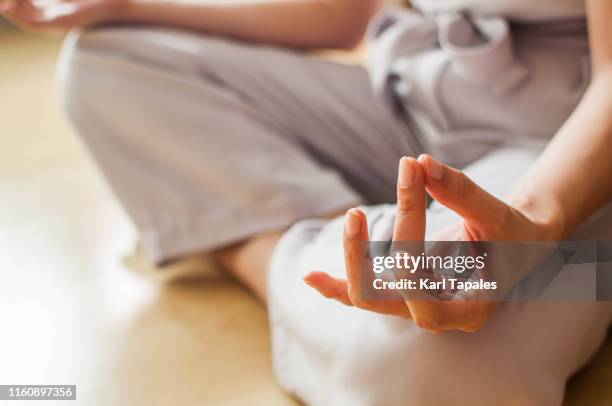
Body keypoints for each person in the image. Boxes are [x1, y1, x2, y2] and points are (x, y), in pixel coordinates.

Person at [3, 0, 612, 403]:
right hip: (410, 101)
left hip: (568, 150)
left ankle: (239, 239)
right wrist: (126, 3)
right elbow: (345, 13)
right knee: (105, 63)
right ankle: (297, 261)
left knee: (434, 368)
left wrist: (533, 219)